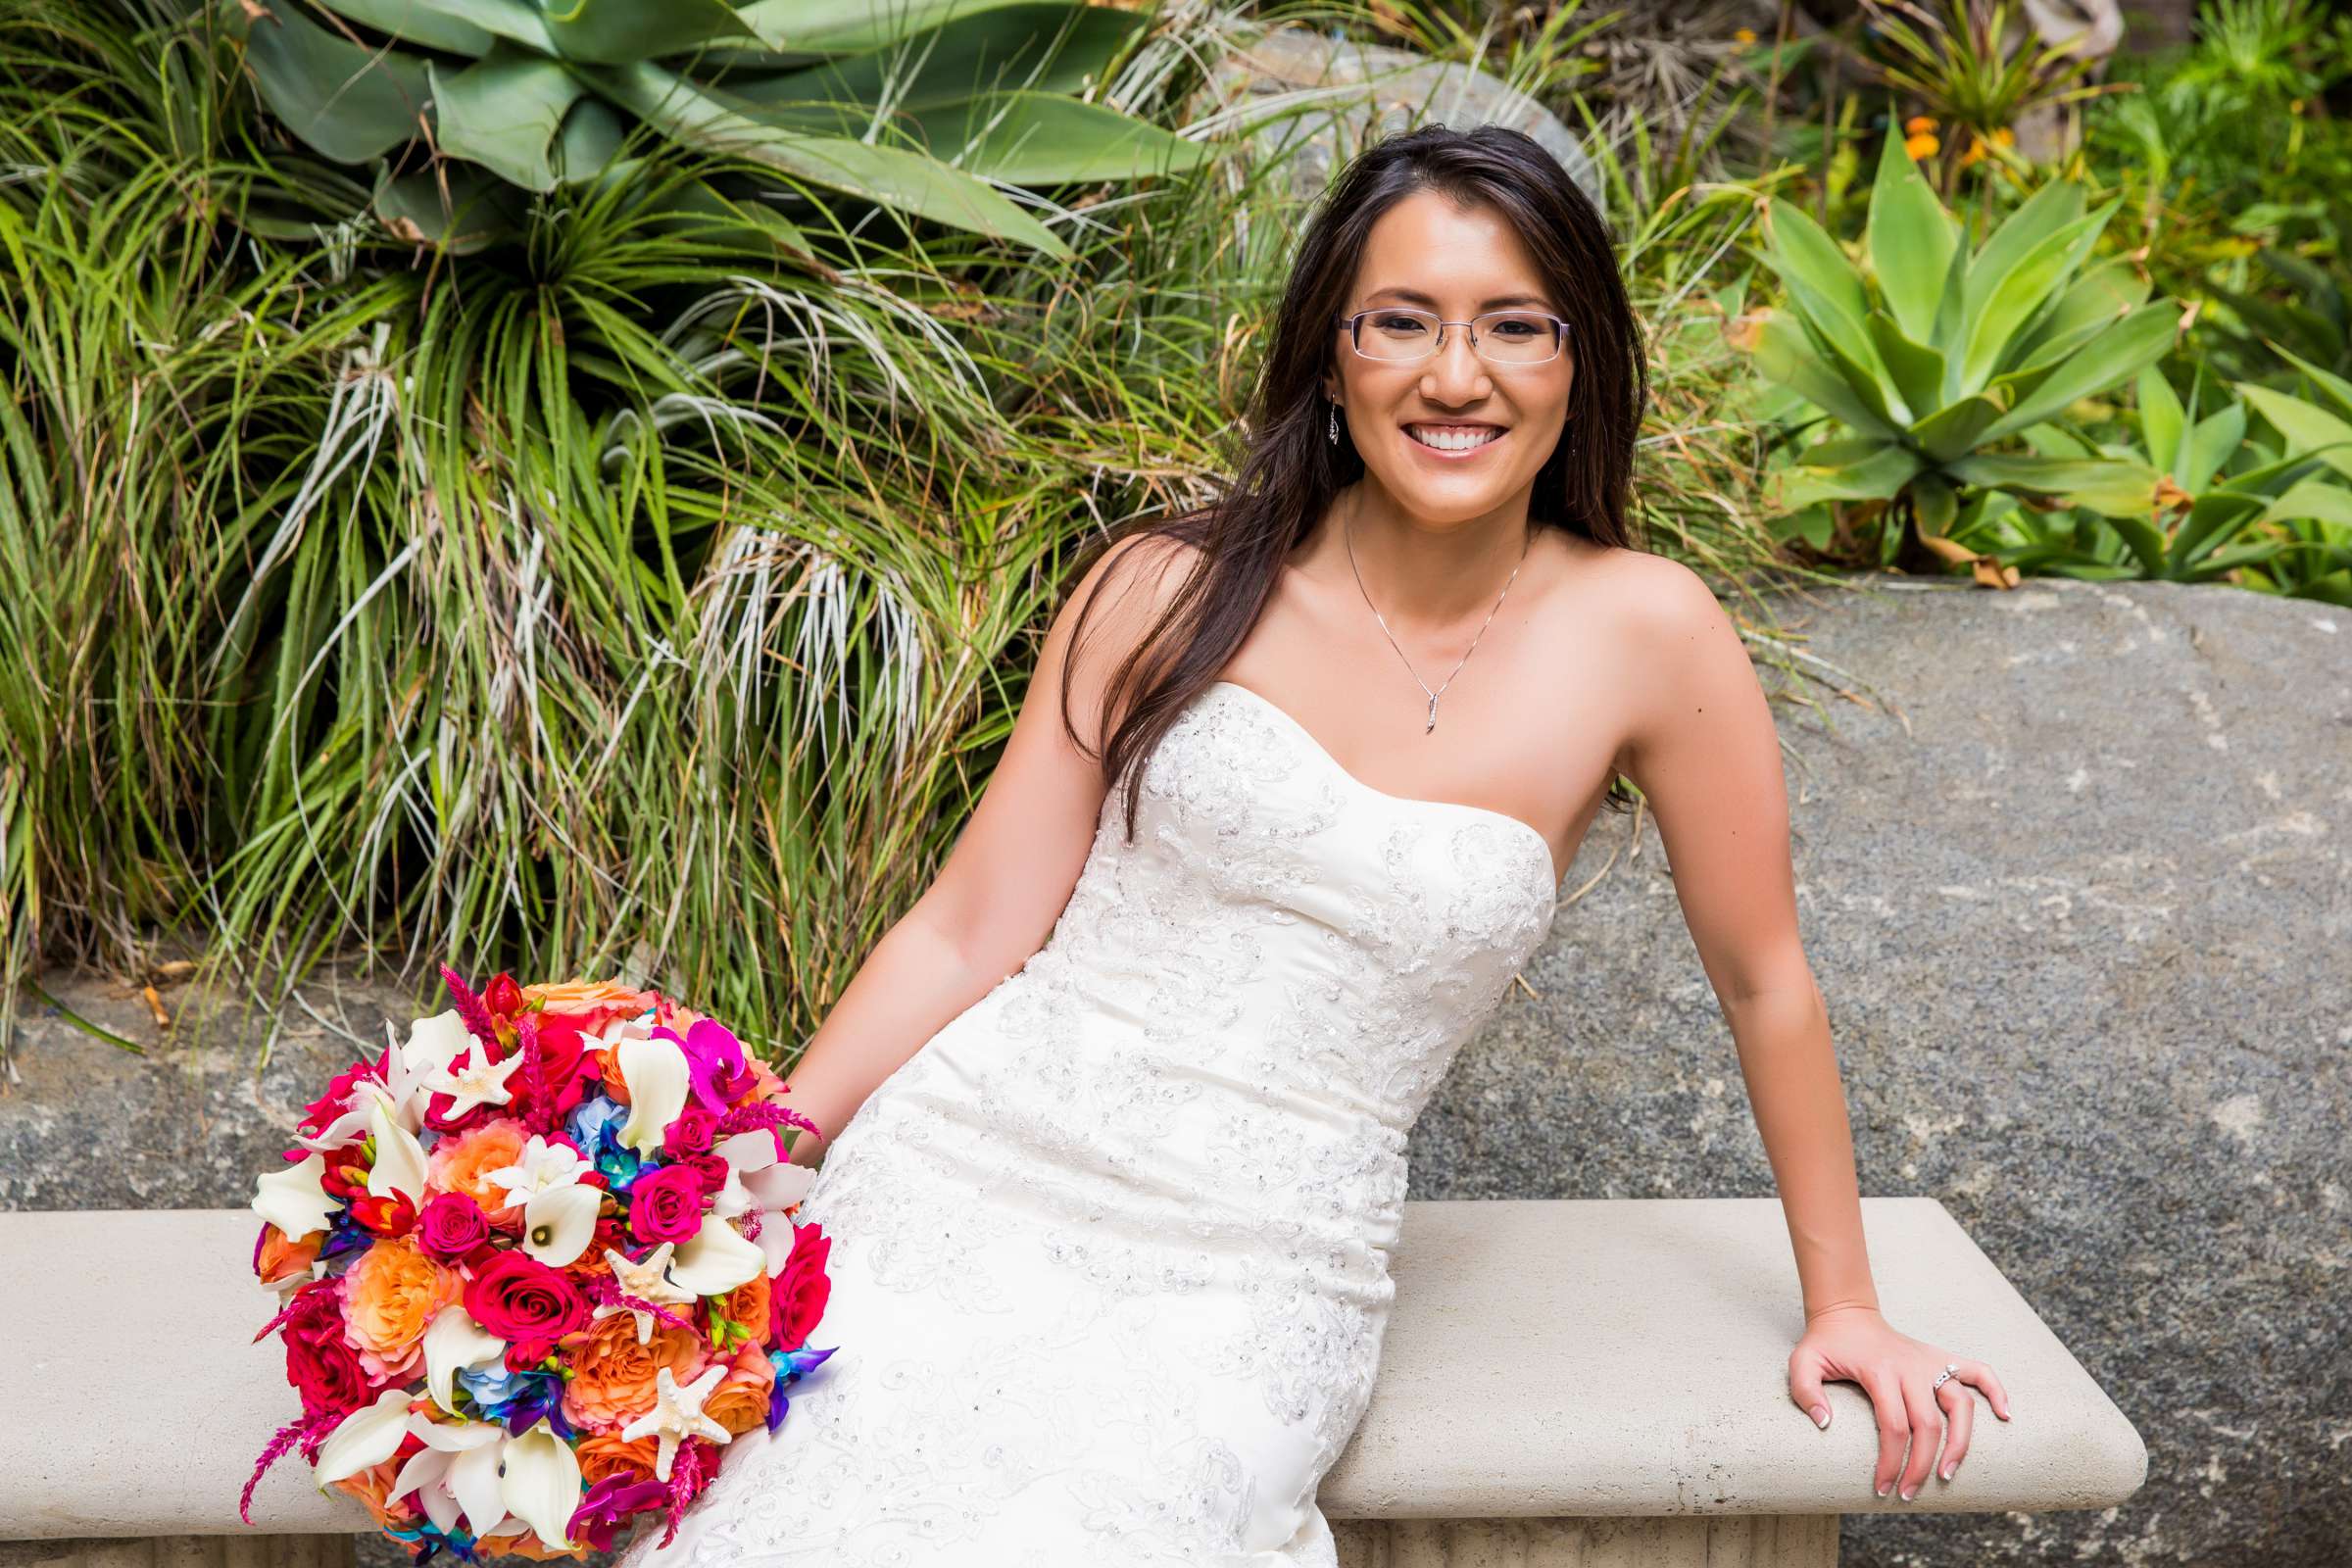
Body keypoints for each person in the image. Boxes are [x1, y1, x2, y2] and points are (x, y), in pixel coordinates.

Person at [616, 122, 2010, 1568]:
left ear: (1578, 357)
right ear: (1332, 356)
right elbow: (969, 927)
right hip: (969, 1170)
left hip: (1259, 1264)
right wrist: (747, 1170)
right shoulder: (1164, 584)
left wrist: (1844, 1303)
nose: (1454, 377)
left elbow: (1764, 977)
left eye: (1512, 328)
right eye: (1402, 322)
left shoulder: (1648, 634)